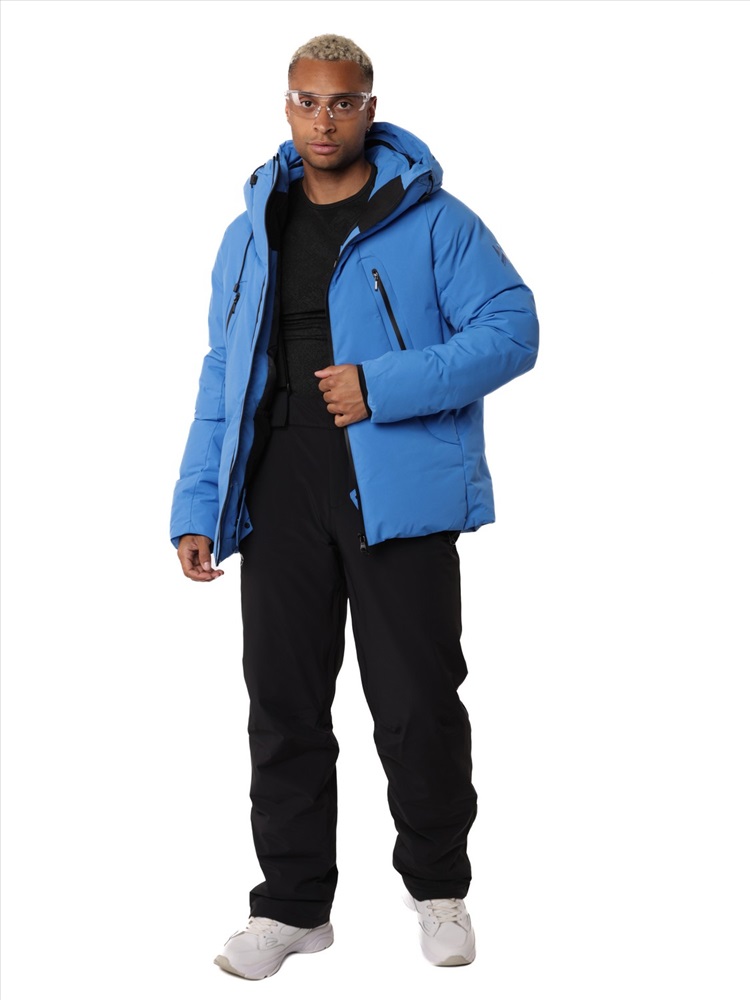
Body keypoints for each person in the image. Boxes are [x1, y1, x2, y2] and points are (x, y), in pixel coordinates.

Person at [170, 33, 538, 981]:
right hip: (277, 480)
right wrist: (198, 500)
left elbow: (513, 328)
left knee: (416, 699)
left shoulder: (434, 219)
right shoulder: (251, 230)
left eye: (341, 101)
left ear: (370, 107)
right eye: (306, 100)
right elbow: (222, 373)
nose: (322, 119)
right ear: (287, 106)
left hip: (396, 483)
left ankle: (439, 889)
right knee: (283, 703)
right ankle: (291, 908)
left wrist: (384, 384)